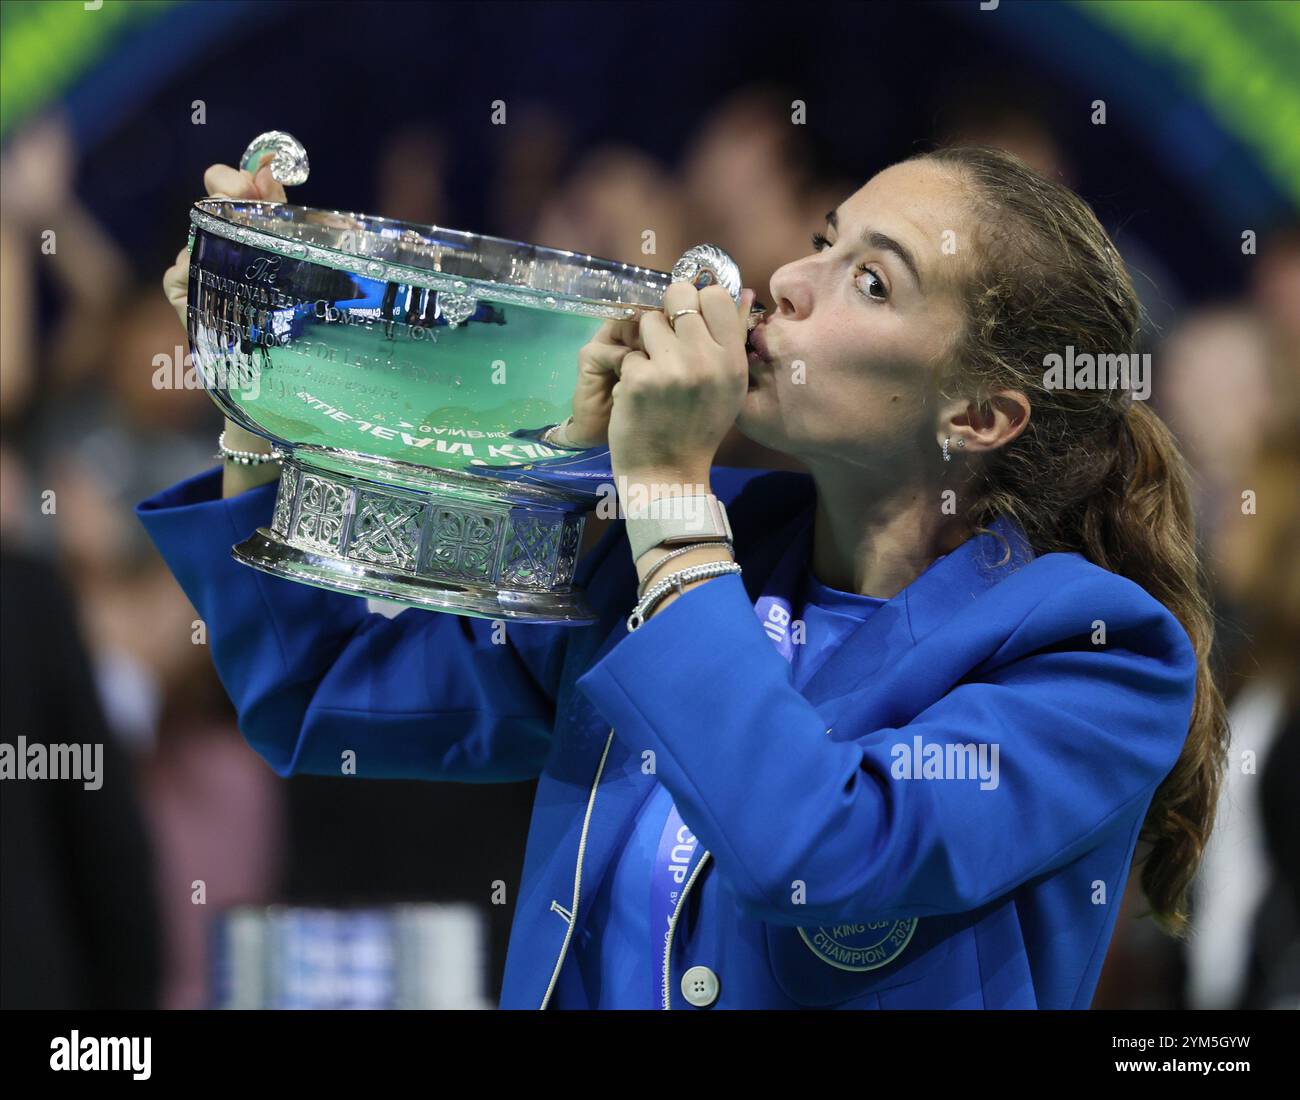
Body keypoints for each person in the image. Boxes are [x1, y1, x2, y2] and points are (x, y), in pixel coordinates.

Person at [138, 146, 1224, 1009]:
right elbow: (323, 690)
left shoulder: (1094, 653)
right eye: (820, 239)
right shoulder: (695, 545)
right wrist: (269, 372)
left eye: (872, 280)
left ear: (976, 415)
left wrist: (663, 498)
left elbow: (821, 850)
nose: (785, 282)